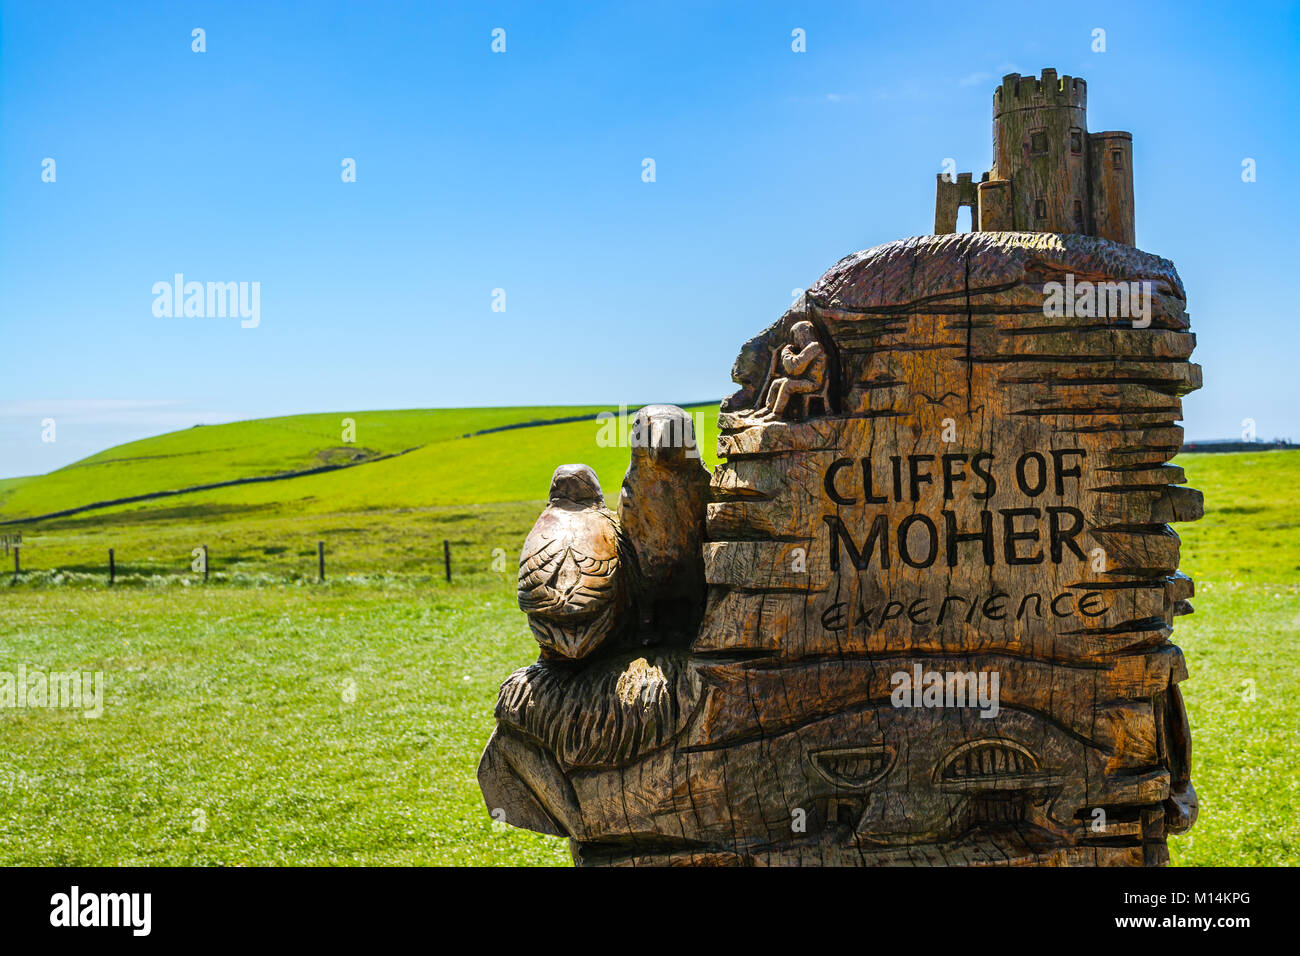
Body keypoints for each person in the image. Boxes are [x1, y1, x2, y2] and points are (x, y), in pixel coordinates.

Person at [755, 320, 826, 420]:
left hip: (813, 383)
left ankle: (777, 414)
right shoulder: (810, 347)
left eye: (796, 336)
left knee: (787, 385)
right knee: (776, 383)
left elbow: (794, 367)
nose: (796, 341)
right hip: (806, 380)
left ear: (804, 333)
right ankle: (769, 407)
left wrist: (785, 353)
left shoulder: (814, 347)